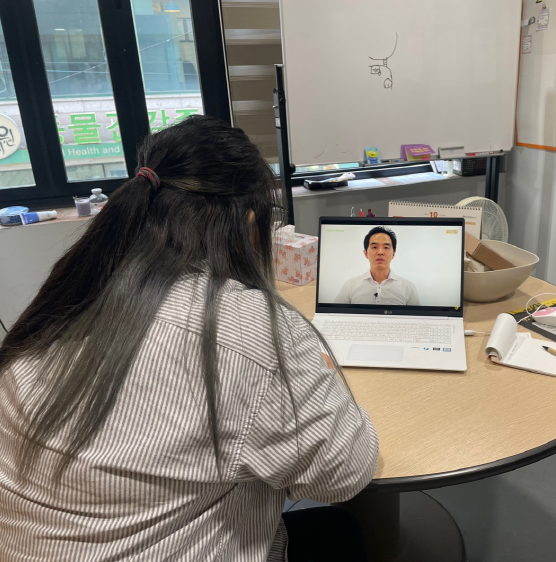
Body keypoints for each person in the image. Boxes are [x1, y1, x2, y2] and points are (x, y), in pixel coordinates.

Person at [0, 116, 378, 562]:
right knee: (340, 531)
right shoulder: (251, 330)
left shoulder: (72, 293)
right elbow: (342, 475)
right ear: (250, 220)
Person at [334, 226, 420, 306]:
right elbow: (335, 314)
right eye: (375, 247)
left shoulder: (408, 287)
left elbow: (417, 316)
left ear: (393, 254)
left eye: (386, 247)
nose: (380, 252)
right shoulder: (351, 286)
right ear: (366, 253)